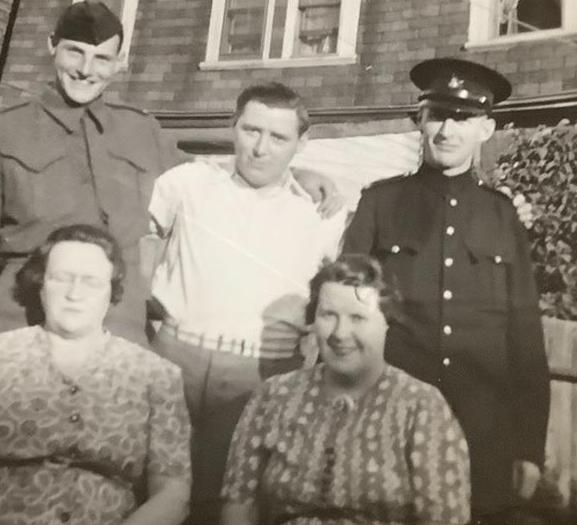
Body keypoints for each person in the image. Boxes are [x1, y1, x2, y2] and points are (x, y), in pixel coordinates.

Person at [0, 2, 341, 382]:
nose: (86, 70)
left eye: (102, 58)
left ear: (119, 62)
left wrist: (295, 172)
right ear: (52, 46)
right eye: (75, 52)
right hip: (21, 326)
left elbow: (217, 177)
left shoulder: (141, 132)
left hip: (119, 336)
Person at [341, 57, 550, 524]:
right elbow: (344, 311)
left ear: (486, 129)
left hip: (482, 429)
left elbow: (525, 335)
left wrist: (528, 446)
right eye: (437, 115)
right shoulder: (380, 202)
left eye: (463, 118)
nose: (447, 130)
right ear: (421, 120)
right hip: (388, 419)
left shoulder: (502, 215)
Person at [147, 82, 346, 525]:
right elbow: (135, 236)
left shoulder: (322, 211)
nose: (260, 148)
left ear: (302, 143)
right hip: (173, 360)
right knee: (151, 491)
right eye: (251, 130)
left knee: (232, 502)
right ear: (232, 126)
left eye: (278, 137)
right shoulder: (188, 182)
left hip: (260, 371)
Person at [0, 224, 192, 525]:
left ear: (112, 291)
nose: (74, 294)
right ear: (41, 284)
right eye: (61, 278)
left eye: (91, 282)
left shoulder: (156, 376)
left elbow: (173, 493)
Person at [219, 254, 471, 525]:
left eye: (358, 318)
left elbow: (445, 519)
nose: (340, 333)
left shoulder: (421, 407)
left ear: (386, 323)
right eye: (328, 315)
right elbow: (239, 503)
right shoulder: (274, 396)